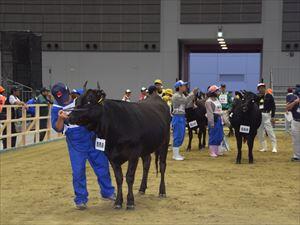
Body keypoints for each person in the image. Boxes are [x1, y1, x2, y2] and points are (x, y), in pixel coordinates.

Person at [51, 83, 115, 210]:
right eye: (60, 99)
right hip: (76, 142)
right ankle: (80, 199)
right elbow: (58, 128)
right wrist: (60, 119)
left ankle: (108, 191)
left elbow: (94, 95)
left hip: (91, 135)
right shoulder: (56, 108)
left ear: (69, 91)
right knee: (78, 171)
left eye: (65, 97)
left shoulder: (81, 96)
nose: (64, 100)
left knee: (102, 165)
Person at [171, 80, 198, 160]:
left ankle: (177, 153)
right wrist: (192, 93)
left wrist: (192, 104)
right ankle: (175, 155)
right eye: (184, 86)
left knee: (181, 135)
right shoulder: (176, 96)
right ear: (179, 87)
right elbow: (185, 101)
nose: (185, 87)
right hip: (177, 117)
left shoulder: (182, 95)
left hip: (182, 116)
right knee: (178, 135)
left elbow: (185, 104)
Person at [256, 83, 277, 153]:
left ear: (265, 88)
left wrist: (273, 116)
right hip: (259, 116)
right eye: (260, 88)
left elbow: (273, 107)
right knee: (260, 132)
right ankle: (264, 147)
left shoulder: (269, 96)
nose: (261, 89)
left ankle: (274, 147)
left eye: (262, 88)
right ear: (258, 89)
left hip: (267, 115)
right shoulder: (257, 97)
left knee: (270, 131)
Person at [205, 85, 224, 157]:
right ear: (213, 92)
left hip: (219, 119)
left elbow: (219, 109)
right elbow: (209, 113)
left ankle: (217, 151)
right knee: (213, 135)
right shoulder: (208, 101)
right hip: (213, 119)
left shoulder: (217, 99)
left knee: (219, 135)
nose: (218, 92)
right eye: (217, 90)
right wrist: (211, 123)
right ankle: (212, 151)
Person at [286, 84, 300, 162]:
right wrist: (295, 102)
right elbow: (287, 108)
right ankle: (297, 156)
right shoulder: (294, 98)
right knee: (295, 140)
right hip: (295, 121)